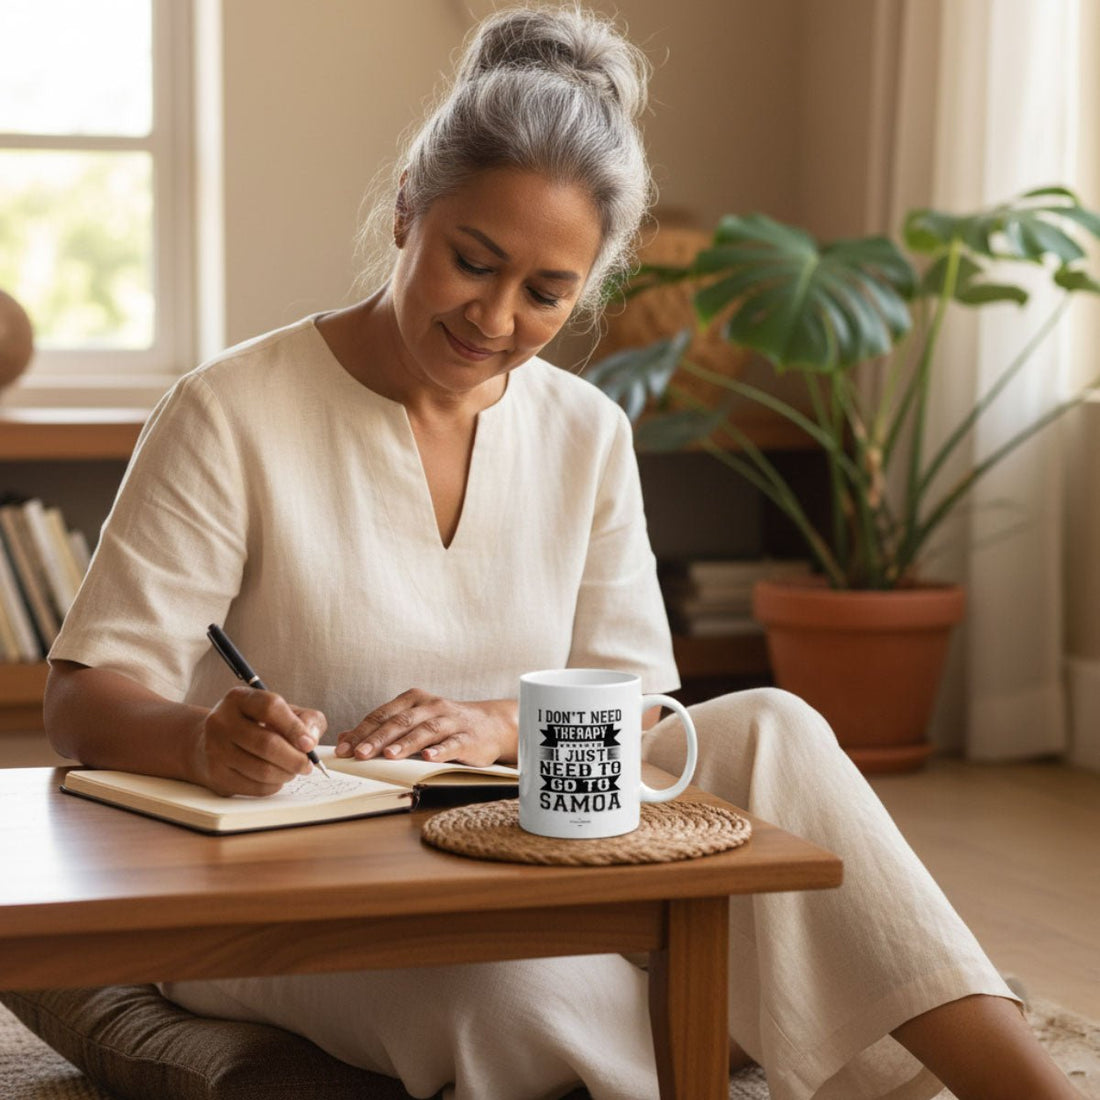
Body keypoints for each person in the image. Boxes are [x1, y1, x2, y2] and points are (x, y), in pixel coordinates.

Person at [44, 6, 1081, 1099]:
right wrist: (207, 740)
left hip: (525, 845)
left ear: (588, 286)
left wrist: (498, 723)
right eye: (471, 261)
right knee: (524, 996)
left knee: (772, 726)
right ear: (407, 210)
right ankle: (734, 1031)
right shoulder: (227, 411)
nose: (493, 315)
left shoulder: (585, 429)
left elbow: (637, 702)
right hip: (298, 885)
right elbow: (80, 700)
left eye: (544, 291)